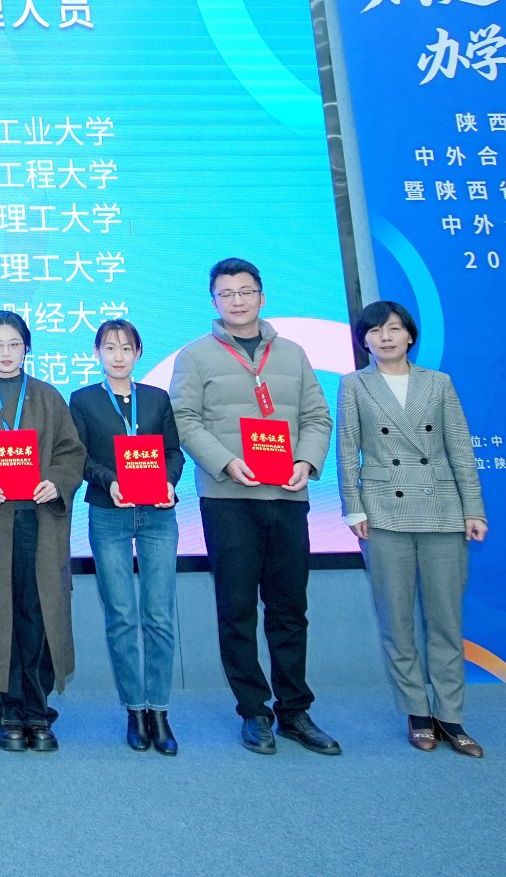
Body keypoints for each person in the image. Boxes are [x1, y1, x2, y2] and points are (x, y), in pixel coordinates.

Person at [171, 257, 340, 757]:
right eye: (226, 293)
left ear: (261, 297)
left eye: (245, 291)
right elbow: (183, 418)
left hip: (287, 496)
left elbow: (317, 416)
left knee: (290, 608)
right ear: (214, 301)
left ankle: (295, 711)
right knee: (237, 609)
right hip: (228, 499)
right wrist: (225, 462)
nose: (237, 300)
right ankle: (253, 711)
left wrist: (306, 462)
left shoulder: (293, 353)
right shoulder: (195, 355)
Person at [337, 300, 490, 758]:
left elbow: (460, 448)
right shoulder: (354, 385)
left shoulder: (439, 383)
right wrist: (353, 508)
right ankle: (417, 713)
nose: (385, 337)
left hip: (442, 509)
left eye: (393, 328)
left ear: (409, 335)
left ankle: (451, 716)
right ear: (364, 341)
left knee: (445, 619)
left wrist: (474, 509)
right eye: (375, 331)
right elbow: (347, 449)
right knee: (397, 618)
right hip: (383, 511)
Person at [0, 310, 84, 752]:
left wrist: (57, 482)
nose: (6, 353)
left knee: (37, 613)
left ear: (27, 348)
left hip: (38, 521)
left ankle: (38, 712)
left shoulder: (48, 396)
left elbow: (71, 453)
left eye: (14, 344)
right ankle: (8, 711)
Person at [69, 318, 184, 756]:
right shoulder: (83, 400)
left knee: (159, 615)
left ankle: (160, 710)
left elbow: (173, 452)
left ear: (138, 353)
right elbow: (79, 457)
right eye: (109, 348)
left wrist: (169, 482)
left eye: (126, 348)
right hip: (109, 514)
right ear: (96, 353)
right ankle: (135, 709)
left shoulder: (156, 398)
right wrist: (110, 481)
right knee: (121, 615)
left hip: (157, 515)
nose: (118, 356)